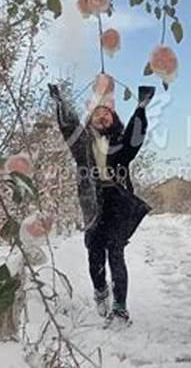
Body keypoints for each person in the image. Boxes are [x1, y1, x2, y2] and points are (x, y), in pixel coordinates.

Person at [48, 82, 153, 329]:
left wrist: (141, 107)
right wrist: (60, 102)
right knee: (94, 253)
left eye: (107, 112)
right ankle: (100, 291)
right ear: (91, 117)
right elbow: (68, 126)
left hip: (117, 200)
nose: (102, 115)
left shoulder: (121, 142)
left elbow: (135, 138)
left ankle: (120, 310)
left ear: (113, 117)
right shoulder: (81, 144)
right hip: (92, 202)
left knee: (115, 252)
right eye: (97, 112)